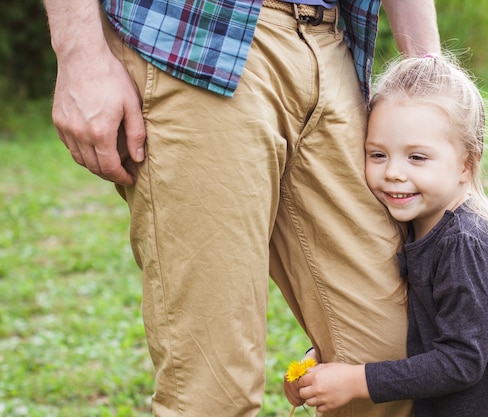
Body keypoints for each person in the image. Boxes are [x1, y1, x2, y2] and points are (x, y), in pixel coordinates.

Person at [43, 0, 441, 416]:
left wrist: (430, 79)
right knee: (215, 390)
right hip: (194, 40)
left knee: (388, 364)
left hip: (329, 43)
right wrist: (79, 53)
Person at [290, 54, 488, 416]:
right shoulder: (410, 224)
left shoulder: (465, 242)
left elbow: (461, 361)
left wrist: (355, 380)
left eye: (417, 157)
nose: (394, 172)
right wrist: (327, 357)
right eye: (377, 154)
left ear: (466, 163)